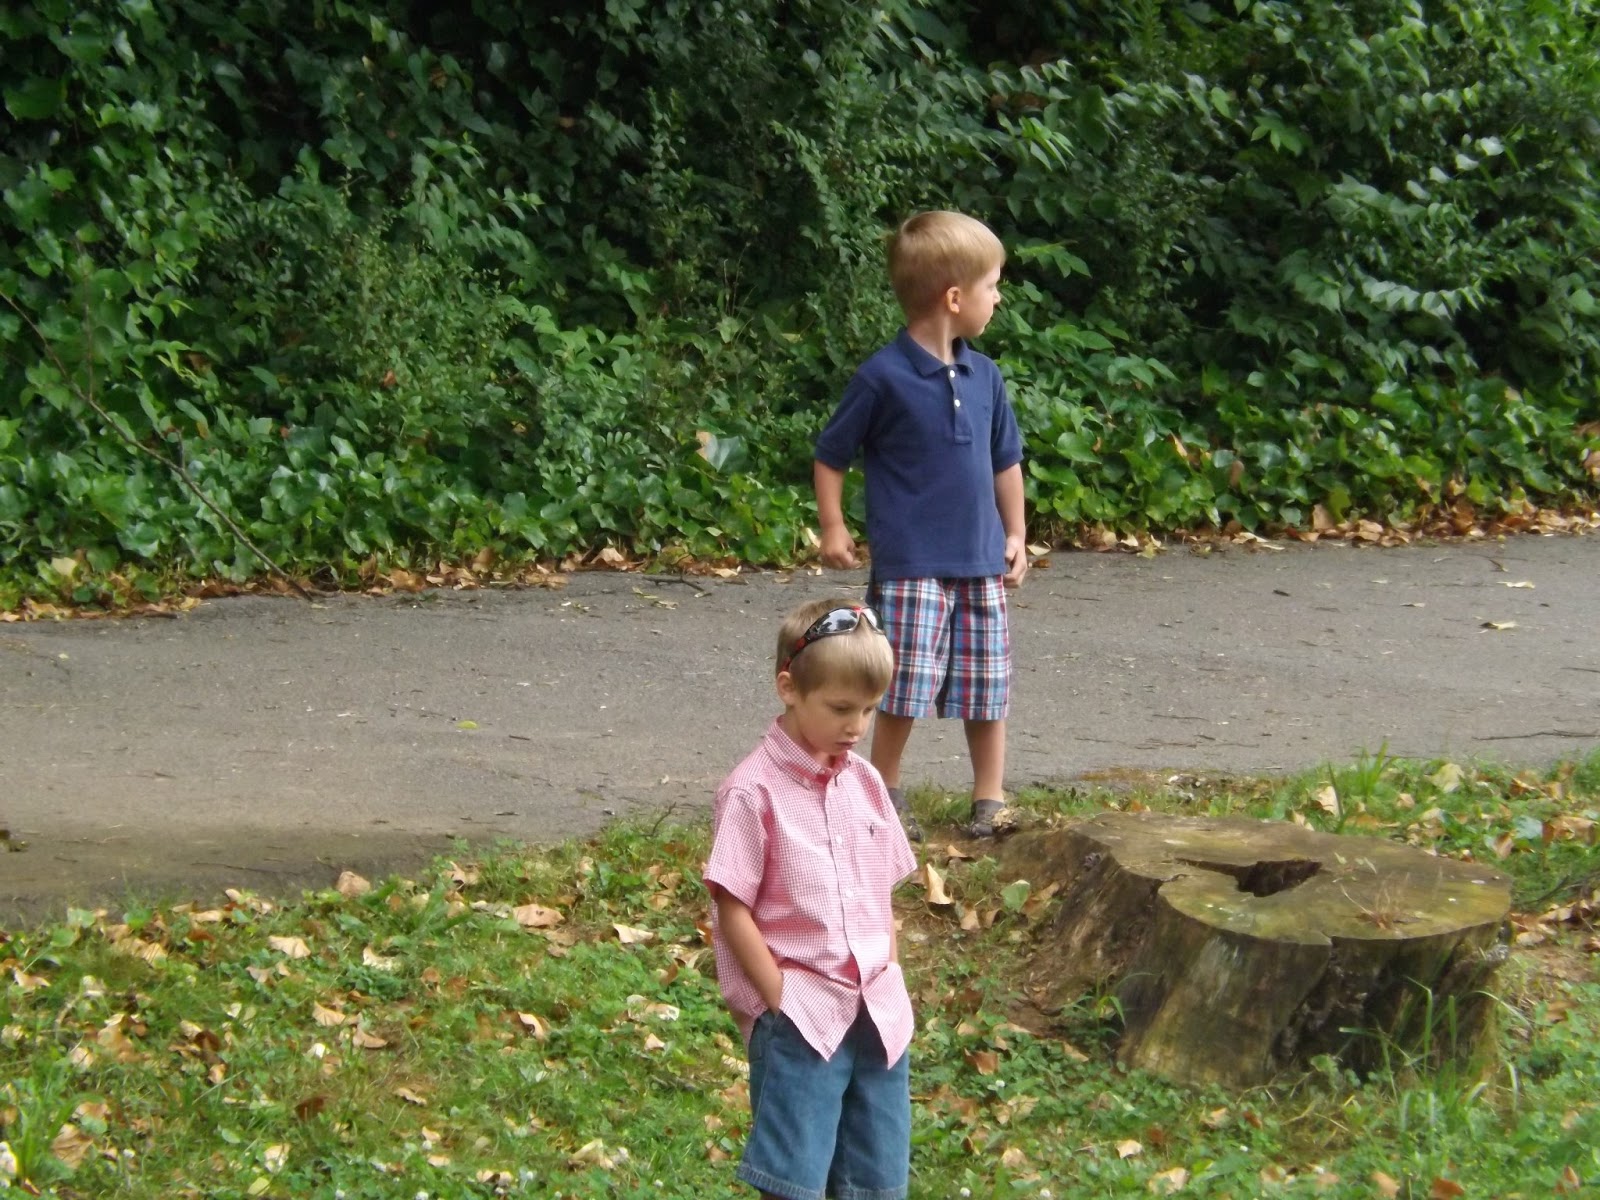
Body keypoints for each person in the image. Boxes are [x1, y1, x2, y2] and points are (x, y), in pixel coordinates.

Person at [813, 209, 1028, 842]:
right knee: (903, 682)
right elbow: (831, 454)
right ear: (955, 298)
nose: (999, 298)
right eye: (992, 286)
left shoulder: (986, 376)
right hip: (912, 564)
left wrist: (1016, 534)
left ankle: (989, 797)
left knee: (987, 685)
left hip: (980, 562)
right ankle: (883, 788)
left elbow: (1006, 461)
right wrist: (833, 526)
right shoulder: (882, 377)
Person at [703, 598, 917, 1200]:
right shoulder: (752, 792)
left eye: (870, 709)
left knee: (876, 1178)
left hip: (877, 1013)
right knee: (794, 1181)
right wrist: (778, 997)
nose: (857, 727)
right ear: (789, 689)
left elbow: (880, 889)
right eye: (841, 708)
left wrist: (890, 968)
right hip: (803, 1016)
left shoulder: (866, 782)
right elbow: (732, 905)